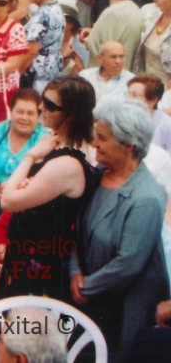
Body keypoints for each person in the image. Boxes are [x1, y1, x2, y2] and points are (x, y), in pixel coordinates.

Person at [70, 99, 170, 357]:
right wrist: (74, 271)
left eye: (102, 138)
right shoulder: (99, 173)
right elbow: (76, 227)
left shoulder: (146, 197)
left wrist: (85, 286)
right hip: (87, 296)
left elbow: (128, 263)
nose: (94, 143)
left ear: (128, 146)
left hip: (123, 309)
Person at [0, 75, 96, 303]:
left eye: (50, 105)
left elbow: (8, 201)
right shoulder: (56, 145)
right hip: (29, 252)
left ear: (70, 114)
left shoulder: (67, 162)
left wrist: (30, 157)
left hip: (39, 262)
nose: (41, 107)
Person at [0, 88, 48, 192]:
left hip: (26, 196)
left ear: (38, 116)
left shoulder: (46, 139)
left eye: (30, 113)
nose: (24, 117)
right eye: (20, 112)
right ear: (11, 111)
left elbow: (48, 179)